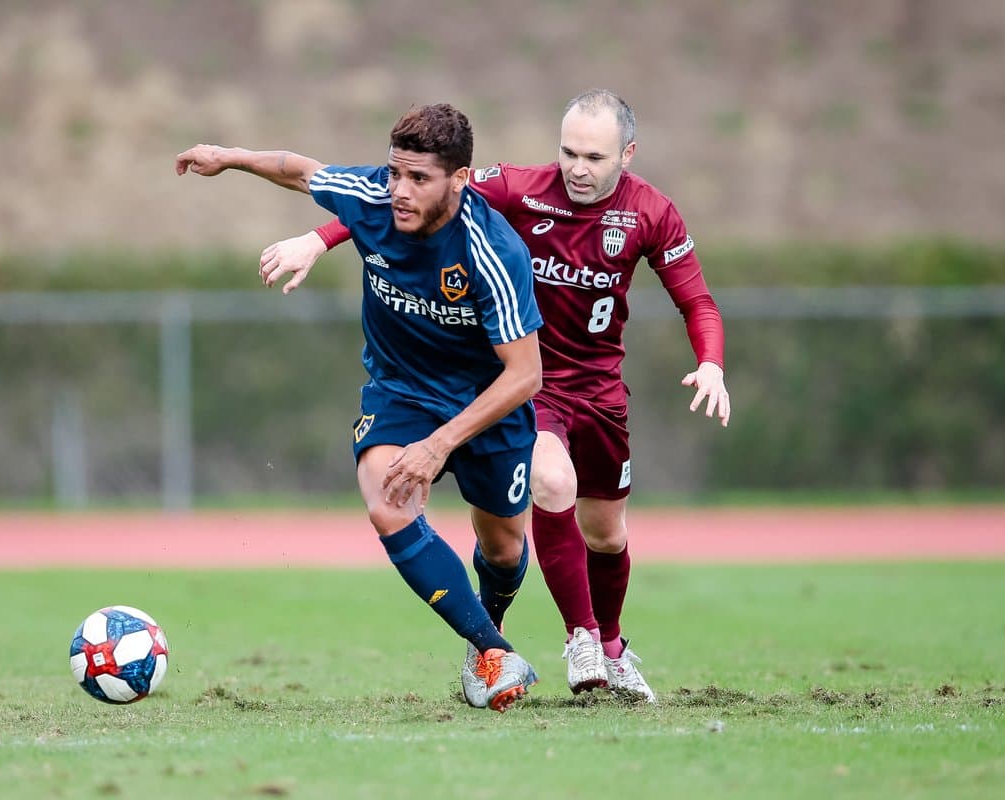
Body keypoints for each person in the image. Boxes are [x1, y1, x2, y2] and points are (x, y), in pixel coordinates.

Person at [259, 89, 730, 705]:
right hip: (525, 382)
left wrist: (711, 363)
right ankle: (575, 639)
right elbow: (408, 195)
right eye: (568, 152)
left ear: (627, 154)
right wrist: (321, 238)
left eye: (594, 157)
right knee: (552, 482)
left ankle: (612, 647)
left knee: (606, 534)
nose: (577, 168)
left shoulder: (652, 213)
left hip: (599, 389)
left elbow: (697, 300)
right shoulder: (517, 188)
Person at [174, 103, 545, 713]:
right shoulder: (372, 197)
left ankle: (488, 620)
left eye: (419, 179)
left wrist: (439, 445)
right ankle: (492, 649)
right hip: (401, 390)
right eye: (395, 172)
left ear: (459, 179)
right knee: (386, 500)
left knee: (504, 549)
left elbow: (525, 374)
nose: (400, 190)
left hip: (487, 405)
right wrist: (229, 157)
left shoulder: (492, 251)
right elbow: (300, 170)